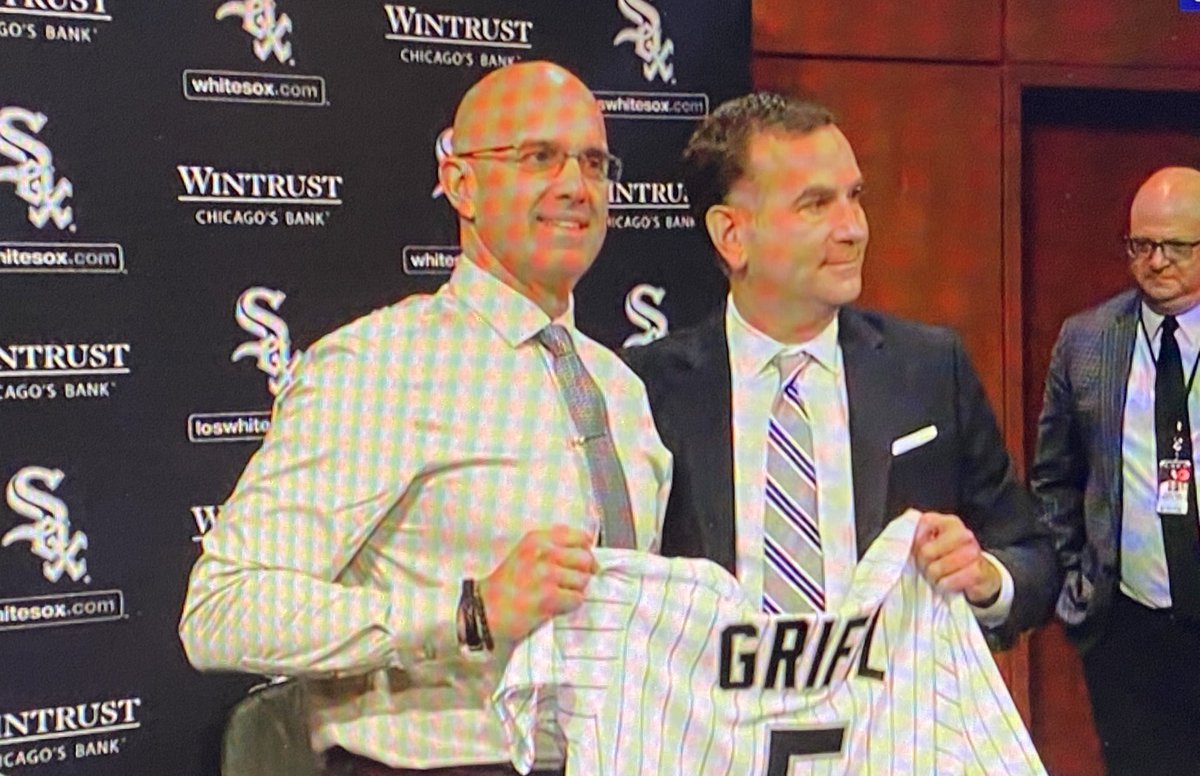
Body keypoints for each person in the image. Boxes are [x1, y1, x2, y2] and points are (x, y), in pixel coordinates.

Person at [179, 61, 672, 776]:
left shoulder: (620, 388)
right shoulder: (382, 368)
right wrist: (468, 613)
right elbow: (222, 611)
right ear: (462, 184)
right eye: (539, 156)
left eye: (594, 163)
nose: (575, 185)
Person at [623, 92, 1055, 648]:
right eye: (816, 204)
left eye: (855, 198)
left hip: (889, 725)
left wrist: (986, 578)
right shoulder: (646, 389)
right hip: (718, 727)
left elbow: (1032, 556)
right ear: (732, 235)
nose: (853, 229)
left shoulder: (927, 369)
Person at [1032, 167, 1200, 774]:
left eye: (1176, 246)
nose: (1156, 261)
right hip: (1129, 629)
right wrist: (1077, 582)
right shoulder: (1087, 340)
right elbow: (1053, 476)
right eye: (1140, 245)